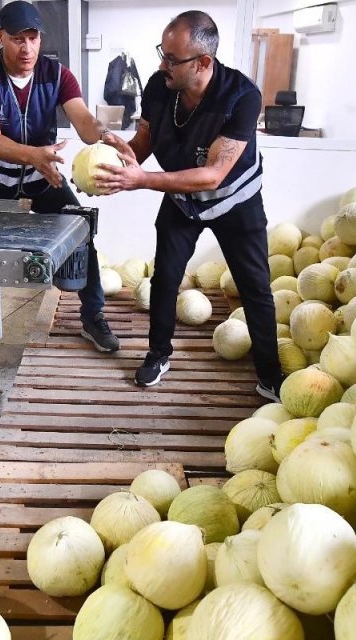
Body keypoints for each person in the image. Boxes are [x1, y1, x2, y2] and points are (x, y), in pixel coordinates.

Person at [90, 10, 282, 401]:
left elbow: (213, 175)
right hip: (181, 198)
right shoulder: (159, 88)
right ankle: (158, 354)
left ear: (203, 62)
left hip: (235, 202)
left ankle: (270, 375)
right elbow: (144, 140)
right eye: (162, 53)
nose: (162, 65)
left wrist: (142, 181)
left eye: (171, 59)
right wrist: (122, 163)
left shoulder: (241, 97)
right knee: (165, 278)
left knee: (255, 289)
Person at [0, 0, 122, 352]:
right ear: (0, 37)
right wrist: (34, 155)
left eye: (33, 38)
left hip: (42, 177)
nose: (27, 48)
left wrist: (106, 135)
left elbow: (82, 121)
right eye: (17, 38)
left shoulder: (57, 74)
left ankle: (93, 316)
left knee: (81, 231)